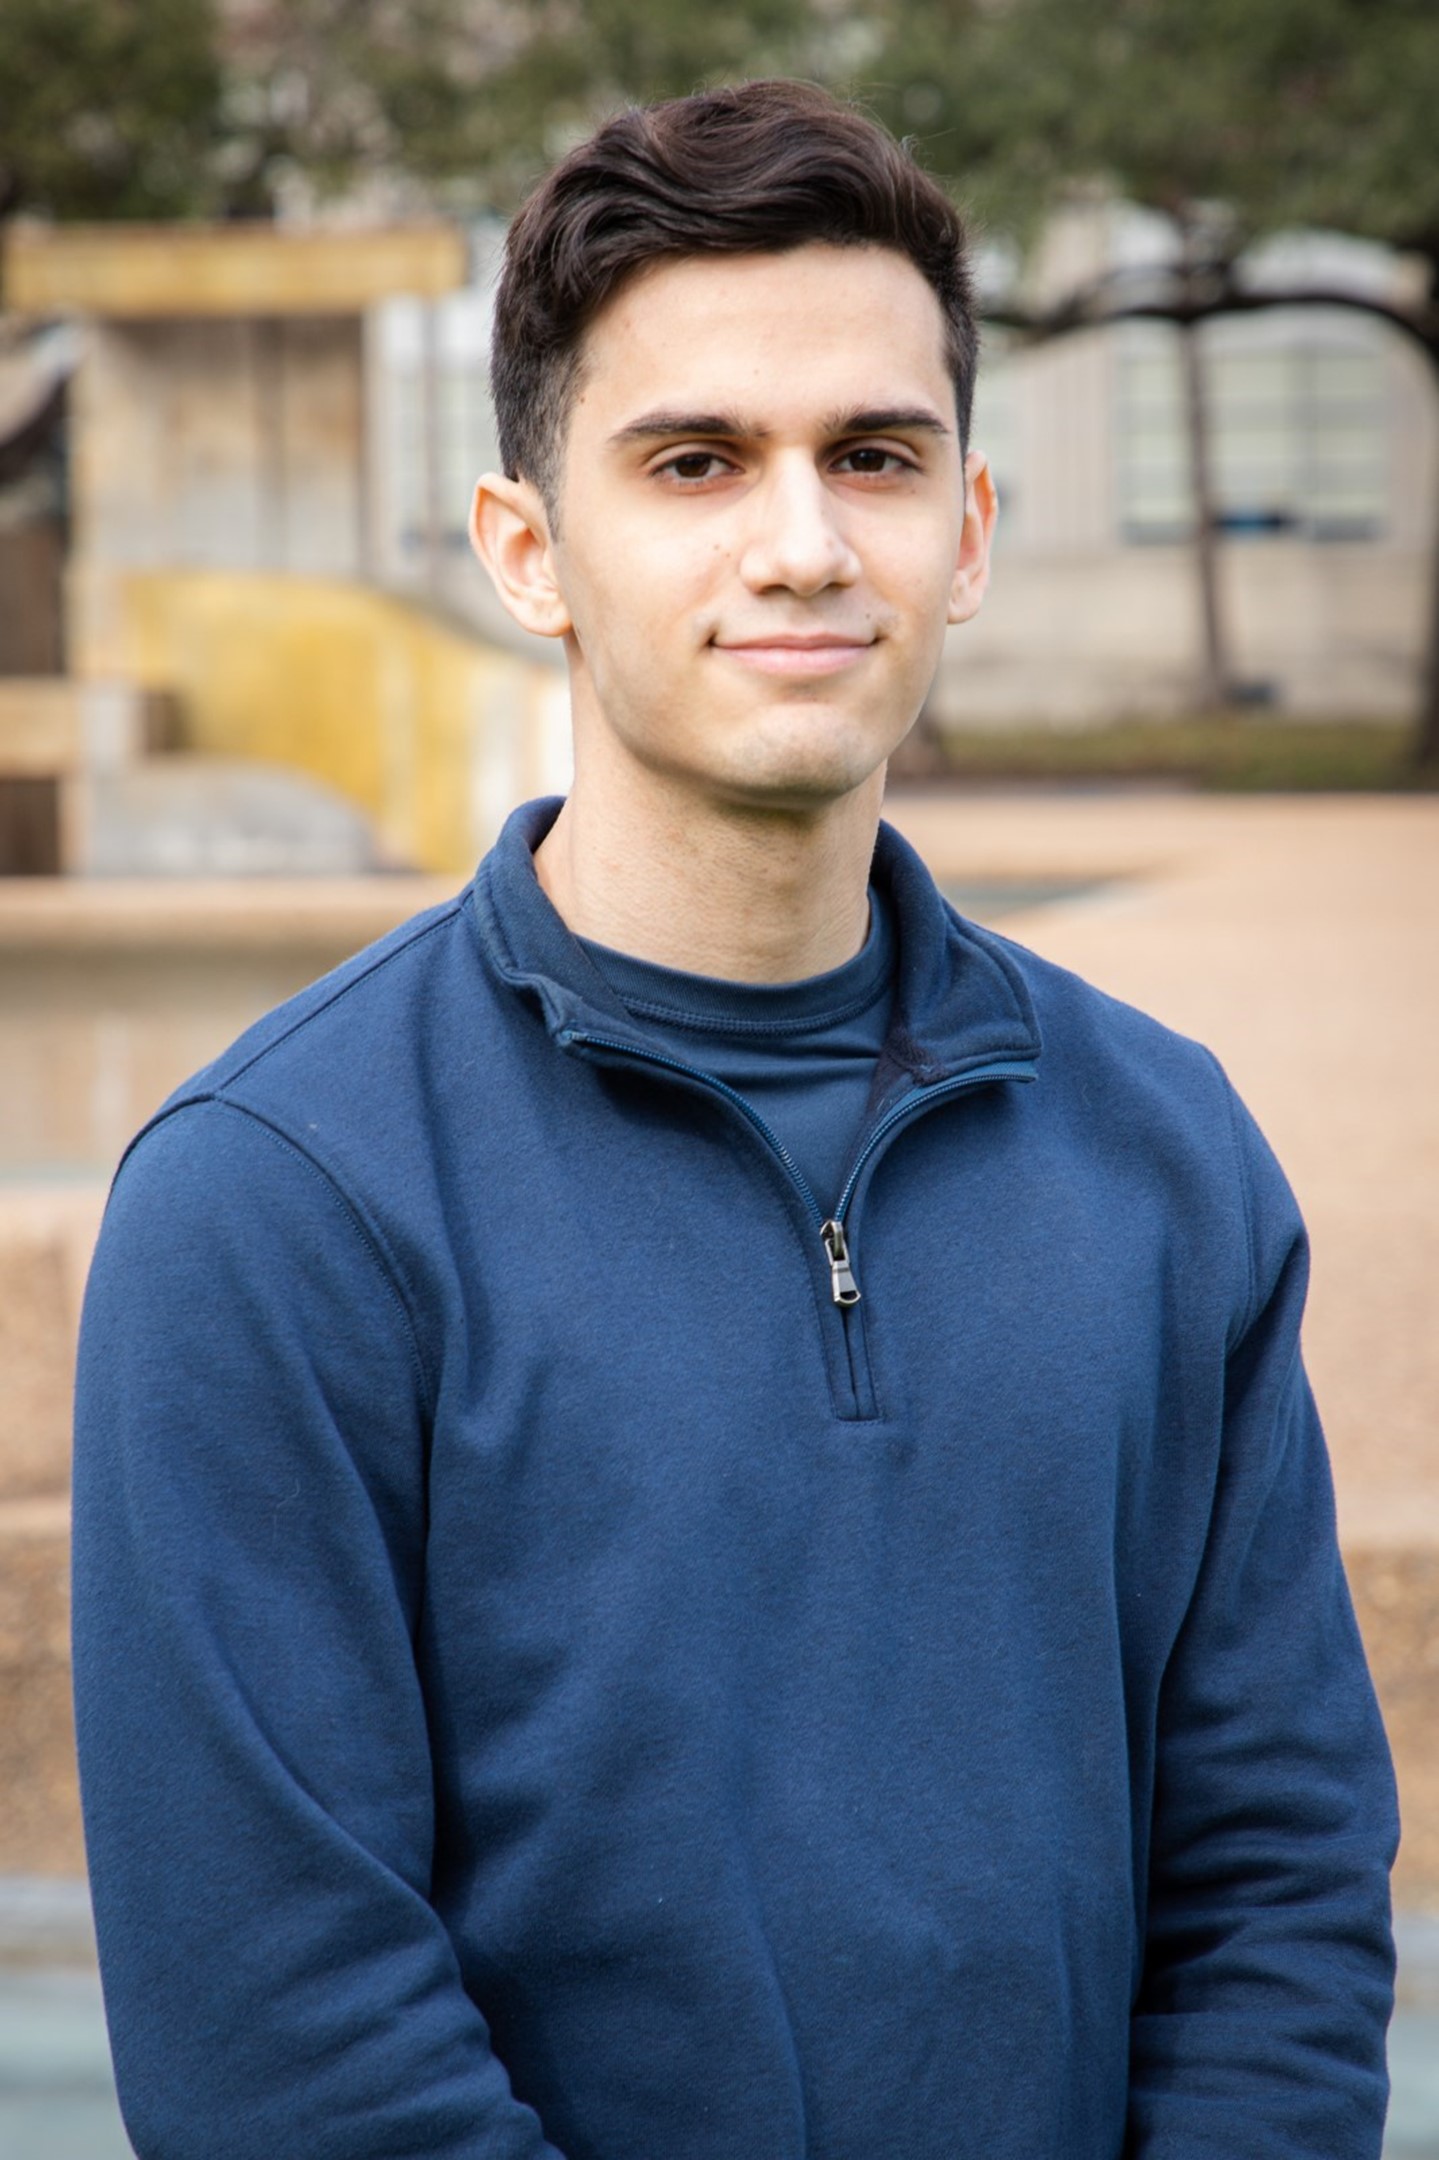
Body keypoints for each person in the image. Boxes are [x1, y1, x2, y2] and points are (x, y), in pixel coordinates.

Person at [72, 78, 1397, 2160]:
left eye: (874, 455)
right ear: (529, 550)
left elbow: (1279, 1901)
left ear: (967, 531)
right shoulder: (273, 1204)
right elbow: (286, 2045)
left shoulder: (1168, 1156)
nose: (802, 543)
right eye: (695, 462)